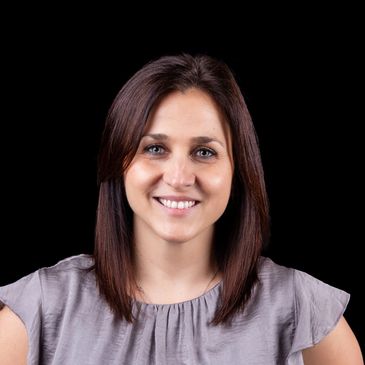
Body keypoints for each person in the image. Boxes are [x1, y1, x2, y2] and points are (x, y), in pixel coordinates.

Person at [0, 54, 363, 365]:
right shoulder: (42, 310)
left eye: (204, 152)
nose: (178, 177)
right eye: (155, 149)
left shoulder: (302, 312)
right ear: (119, 162)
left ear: (238, 170)